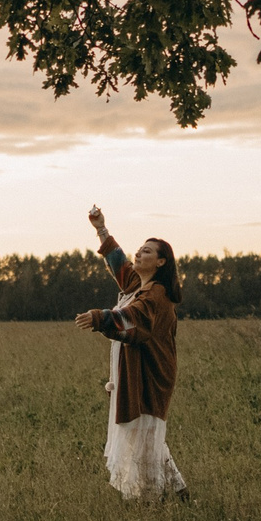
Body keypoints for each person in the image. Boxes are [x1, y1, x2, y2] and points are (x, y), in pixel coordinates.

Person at [75, 205, 189, 503]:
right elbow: (119, 264)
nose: (138, 253)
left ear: (161, 262)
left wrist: (100, 317)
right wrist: (101, 228)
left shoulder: (156, 295)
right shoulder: (139, 285)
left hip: (150, 374)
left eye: (147, 251)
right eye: (139, 249)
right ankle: (179, 493)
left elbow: (133, 321)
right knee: (147, 438)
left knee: (145, 439)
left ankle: (152, 499)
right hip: (138, 371)